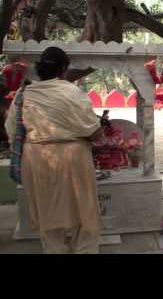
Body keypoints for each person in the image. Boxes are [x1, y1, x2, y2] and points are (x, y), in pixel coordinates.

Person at [5, 47, 103, 254]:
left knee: (48, 219)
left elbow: (11, 130)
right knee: (84, 216)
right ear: (64, 69)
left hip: (36, 159)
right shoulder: (72, 92)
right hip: (73, 159)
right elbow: (94, 133)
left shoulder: (23, 94)